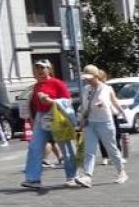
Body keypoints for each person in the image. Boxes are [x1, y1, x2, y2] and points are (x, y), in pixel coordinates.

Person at [21, 60, 74, 189]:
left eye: (42, 68)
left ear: (49, 69)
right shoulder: (36, 86)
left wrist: (51, 101)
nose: (39, 71)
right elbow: (33, 104)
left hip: (56, 115)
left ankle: (72, 176)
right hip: (41, 117)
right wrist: (32, 120)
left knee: (65, 147)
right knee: (35, 147)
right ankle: (33, 179)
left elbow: (68, 101)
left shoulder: (57, 83)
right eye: (36, 68)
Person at [76, 65, 127, 187]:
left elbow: (107, 100)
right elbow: (84, 106)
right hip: (90, 123)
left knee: (111, 149)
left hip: (105, 122)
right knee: (89, 150)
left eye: (89, 77)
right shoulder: (86, 89)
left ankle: (122, 172)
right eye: (86, 77)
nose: (87, 79)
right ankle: (87, 176)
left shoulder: (105, 88)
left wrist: (119, 111)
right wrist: (81, 120)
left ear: (96, 76)